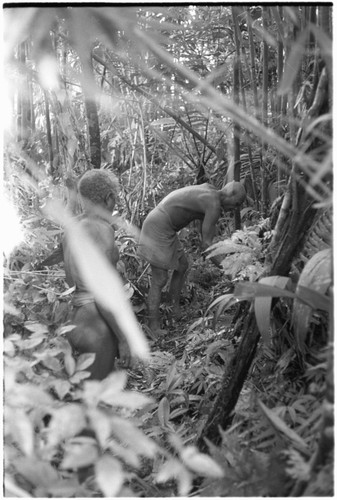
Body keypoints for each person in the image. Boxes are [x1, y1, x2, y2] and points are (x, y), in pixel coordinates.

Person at [138, 181, 246, 337]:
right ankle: (153, 326)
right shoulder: (213, 205)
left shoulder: (211, 191)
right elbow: (206, 245)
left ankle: (173, 311)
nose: (235, 209)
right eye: (236, 204)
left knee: (182, 265)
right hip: (159, 225)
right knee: (159, 278)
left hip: (164, 223)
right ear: (230, 194)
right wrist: (231, 271)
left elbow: (207, 238)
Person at [63, 169, 131, 380]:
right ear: (109, 198)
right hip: (97, 326)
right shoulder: (102, 230)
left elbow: (69, 280)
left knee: (84, 396)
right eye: (115, 198)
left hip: (75, 318)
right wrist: (122, 339)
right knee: (97, 402)